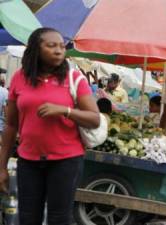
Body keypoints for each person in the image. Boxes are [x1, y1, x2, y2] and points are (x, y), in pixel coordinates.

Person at [0, 28, 100, 225]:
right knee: (28, 218)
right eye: (51, 45)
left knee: (59, 219)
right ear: (36, 49)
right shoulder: (20, 78)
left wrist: (65, 111)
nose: (58, 51)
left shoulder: (74, 79)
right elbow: (11, 125)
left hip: (66, 161)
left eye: (62, 46)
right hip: (28, 160)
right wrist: (1, 166)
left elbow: (94, 119)